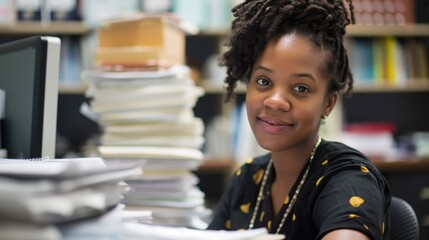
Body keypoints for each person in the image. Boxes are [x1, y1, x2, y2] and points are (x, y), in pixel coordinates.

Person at [207, 0, 391, 239]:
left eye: (300, 88)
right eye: (263, 81)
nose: (275, 101)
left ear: (328, 103)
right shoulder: (246, 179)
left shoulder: (349, 178)